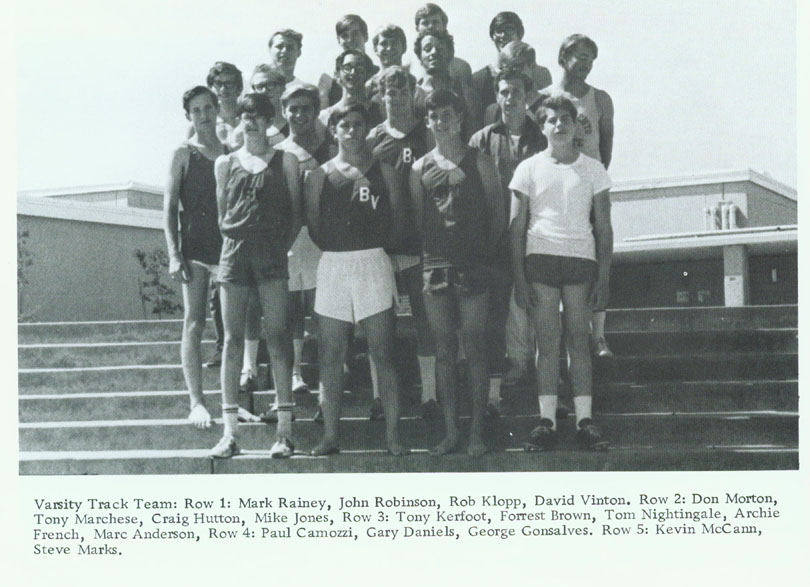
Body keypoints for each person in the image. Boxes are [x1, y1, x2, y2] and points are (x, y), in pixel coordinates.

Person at [303, 103, 408, 456]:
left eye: (357, 124)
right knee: (331, 355)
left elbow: (397, 222)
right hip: (333, 264)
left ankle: (393, 437)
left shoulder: (387, 173)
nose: (350, 130)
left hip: (373, 261)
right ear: (333, 130)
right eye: (343, 124)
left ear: (367, 129)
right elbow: (315, 227)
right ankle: (331, 437)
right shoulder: (318, 175)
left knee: (384, 353)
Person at [509, 94, 612, 450]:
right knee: (547, 342)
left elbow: (604, 228)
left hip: (580, 261)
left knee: (579, 341)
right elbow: (516, 226)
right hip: (541, 260)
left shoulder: (593, 169)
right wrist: (520, 279)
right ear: (542, 126)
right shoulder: (528, 168)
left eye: (566, 118)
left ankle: (585, 419)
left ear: (576, 124)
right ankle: (547, 420)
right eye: (552, 119)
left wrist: (604, 276)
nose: (559, 124)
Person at [409, 89, 505, 456]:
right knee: (445, 351)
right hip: (435, 268)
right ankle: (451, 432)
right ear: (429, 121)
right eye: (435, 116)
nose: (441, 121)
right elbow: (419, 220)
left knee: (475, 348)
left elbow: (498, 215)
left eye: (448, 114)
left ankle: (477, 432)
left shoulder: (480, 161)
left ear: (460, 118)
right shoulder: (419, 168)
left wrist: (477, 251)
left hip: (474, 267)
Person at [210, 93, 302, 458]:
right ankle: (230, 433)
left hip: (271, 255)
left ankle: (285, 431)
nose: (251, 122)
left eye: (258, 116)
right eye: (245, 116)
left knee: (278, 338)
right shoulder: (225, 163)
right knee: (232, 340)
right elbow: (222, 216)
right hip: (234, 254)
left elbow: (296, 213)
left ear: (269, 120)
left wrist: (279, 247)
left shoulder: (287, 160)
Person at [469, 69, 547, 415]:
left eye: (515, 91)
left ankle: (544, 370)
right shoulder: (482, 139)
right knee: (505, 303)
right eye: (503, 92)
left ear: (526, 95)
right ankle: (515, 364)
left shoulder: (542, 136)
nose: (509, 98)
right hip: (495, 235)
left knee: (539, 301)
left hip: (539, 232)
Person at [367, 66, 438, 420]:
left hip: (417, 240)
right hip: (380, 245)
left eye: (401, 89)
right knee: (381, 324)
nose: (394, 96)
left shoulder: (426, 134)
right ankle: (381, 397)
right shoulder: (372, 137)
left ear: (413, 92)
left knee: (425, 320)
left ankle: (429, 397)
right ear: (381, 95)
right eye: (388, 91)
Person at [538, 34, 615, 358]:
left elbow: (606, 147)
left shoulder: (601, 99)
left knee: (597, 251)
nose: (584, 63)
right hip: (556, 186)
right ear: (563, 56)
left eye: (590, 58)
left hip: (590, 183)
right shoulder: (547, 97)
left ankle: (598, 336)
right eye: (578, 55)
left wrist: (592, 176)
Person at [164, 86, 229, 430]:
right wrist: (174, 254)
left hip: (229, 251)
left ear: (218, 109)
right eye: (196, 110)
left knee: (232, 330)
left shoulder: (232, 151)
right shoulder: (183, 153)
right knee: (194, 323)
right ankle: (197, 401)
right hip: (195, 251)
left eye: (208, 108)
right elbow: (170, 207)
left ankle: (230, 402)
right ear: (189, 116)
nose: (203, 115)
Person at [267, 84, 331, 418]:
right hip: (290, 240)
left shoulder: (329, 148)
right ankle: (293, 376)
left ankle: (327, 387)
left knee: (321, 313)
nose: (299, 115)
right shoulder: (277, 151)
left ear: (316, 111)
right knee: (290, 311)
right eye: (293, 108)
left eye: (306, 108)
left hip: (320, 242)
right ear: (284, 110)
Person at [472, 12, 551, 116]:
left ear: (520, 34)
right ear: (492, 36)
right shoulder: (480, 78)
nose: (503, 35)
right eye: (498, 31)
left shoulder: (540, 73)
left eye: (509, 29)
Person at [412, 30, 478, 137]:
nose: (433, 52)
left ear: (449, 54)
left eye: (440, 48)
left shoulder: (466, 94)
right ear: (420, 56)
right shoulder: (413, 95)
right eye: (427, 49)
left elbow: (473, 136)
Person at [406, 4, 473, 91]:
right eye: (425, 23)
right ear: (417, 28)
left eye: (435, 22)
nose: (430, 26)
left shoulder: (461, 67)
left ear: (444, 26)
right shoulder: (408, 69)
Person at [481, 41, 549, 126]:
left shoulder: (548, 106)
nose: (512, 73)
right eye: (506, 68)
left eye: (517, 67)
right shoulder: (494, 111)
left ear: (532, 65)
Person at [318, 15, 376, 109]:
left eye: (355, 34)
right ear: (338, 40)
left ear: (365, 36)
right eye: (344, 36)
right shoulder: (329, 81)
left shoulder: (377, 74)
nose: (350, 40)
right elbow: (323, 118)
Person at [319, 50, 383, 129]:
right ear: (338, 73)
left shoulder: (380, 112)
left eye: (359, 68)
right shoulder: (326, 117)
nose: (353, 72)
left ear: (368, 74)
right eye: (347, 68)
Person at [367, 24, 409, 100]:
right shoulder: (369, 87)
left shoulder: (411, 82)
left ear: (404, 47)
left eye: (394, 43)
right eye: (384, 44)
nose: (389, 48)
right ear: (375, 49)